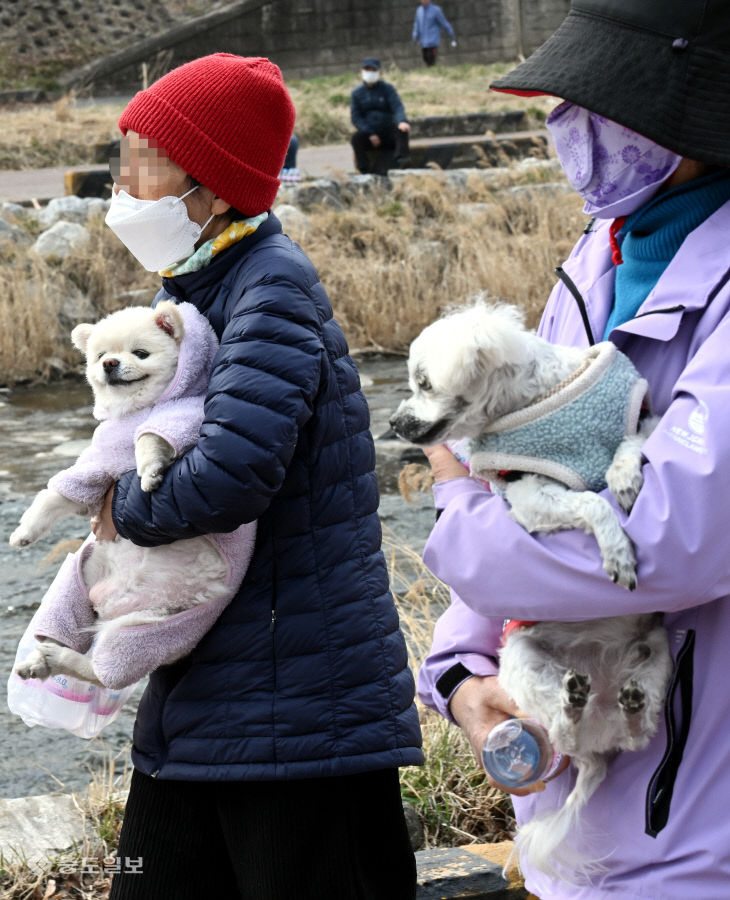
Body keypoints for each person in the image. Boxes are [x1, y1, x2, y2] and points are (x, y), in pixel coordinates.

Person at [417, 0, 730, 896]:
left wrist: (461, 513)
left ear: (690, 120)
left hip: (697, 842)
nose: (567, 123)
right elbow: (511, 453)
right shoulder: (597, 258)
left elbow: (671, 542)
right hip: (580, 825)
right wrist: (463, 669)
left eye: (598, 101)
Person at [95, 53, 422, 900]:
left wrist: (117, 503)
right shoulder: (201, 288)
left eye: (145, 160)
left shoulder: (269, 288)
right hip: (219, 694)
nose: (123, 180)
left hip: (298, 703)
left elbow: (227, 478)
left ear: (212, 182)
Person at [350, 57, 410, 175]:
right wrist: (370, 133)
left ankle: (402, 162)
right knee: (356, 138)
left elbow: (397, 107)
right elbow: (356, 117)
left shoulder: (388, 89)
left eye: (373, 70)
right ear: (362, 71)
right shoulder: (357, 93)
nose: (370, 73)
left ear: (379, 72)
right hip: (369, 134)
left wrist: (402, 121)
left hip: (387, 131)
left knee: (402, 131)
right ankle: (364, 169)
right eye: (368, 70)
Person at [412, 0, 456, 67]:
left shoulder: (435, 10)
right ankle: (431, 73)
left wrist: (451, 33)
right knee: (425, 58)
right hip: (423, 41)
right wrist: (415, 35)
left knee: (431, 59)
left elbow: (444, 22)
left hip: (433, 41)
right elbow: (417, 24)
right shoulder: (419, 10)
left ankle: (433, 73)